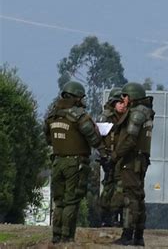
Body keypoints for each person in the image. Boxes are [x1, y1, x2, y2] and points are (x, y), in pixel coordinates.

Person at [44, 81, 105, 244]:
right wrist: (104, 151)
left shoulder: (52, 115)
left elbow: (49, 139)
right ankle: (67, 237)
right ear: (76, 98)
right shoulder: (79, 116)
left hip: (57, 162)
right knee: (71, 200)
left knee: (59, 202)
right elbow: (93, 137)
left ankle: (56, 236)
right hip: (75, 164)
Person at [111, 82, 155, 246]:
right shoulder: (146, 113)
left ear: (132, 97)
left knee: (130, 197)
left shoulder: (137, 114)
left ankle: (128, 234)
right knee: (138, 196)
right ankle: (138, 235)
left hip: (132, 160)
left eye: (125, 96)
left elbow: (130, 139)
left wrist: (115, 155)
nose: (123, 100)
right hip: (141, 159)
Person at [96, 87, 126, 227]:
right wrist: (103, 155)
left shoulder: (127, 117)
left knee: (120, 187)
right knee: (108, 186)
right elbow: (98, 138)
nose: (122, 105)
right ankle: (105, 216)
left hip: (122, 157)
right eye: (119, 102)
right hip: (108, 156)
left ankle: (116, 216)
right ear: (113, 103)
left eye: (123, 102)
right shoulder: (105, 117)